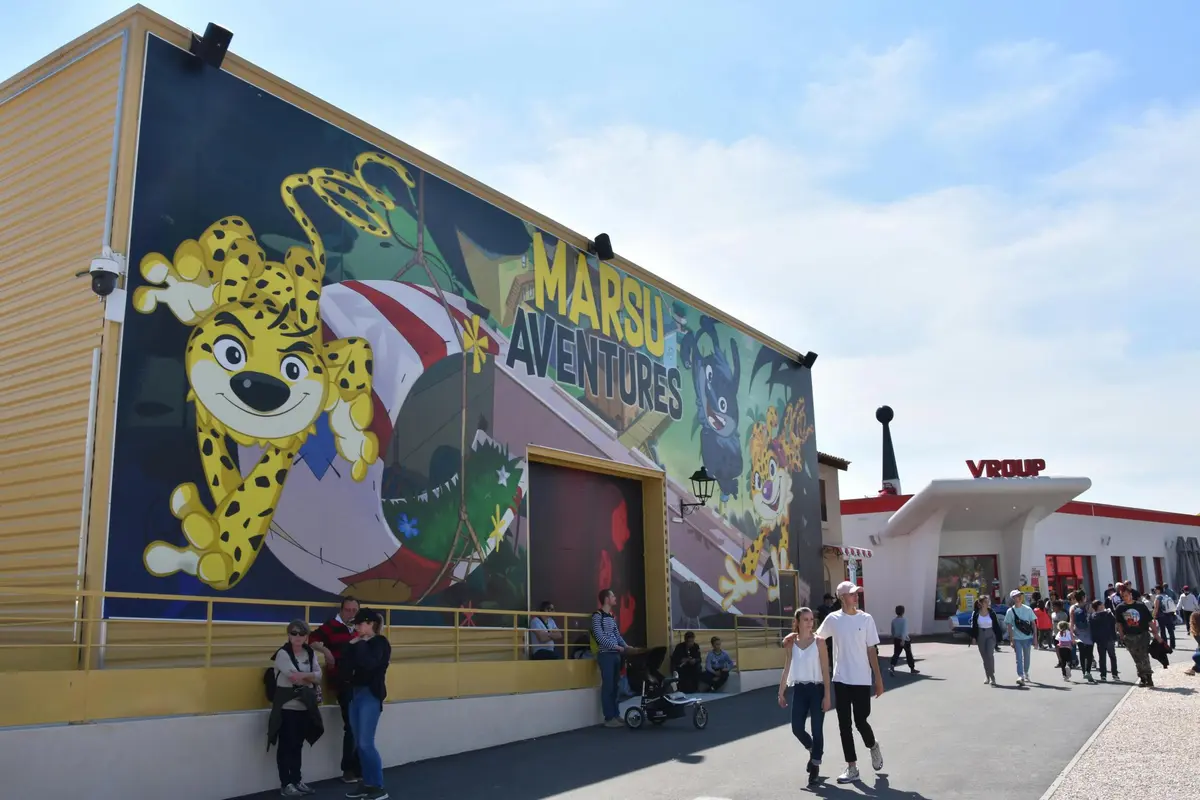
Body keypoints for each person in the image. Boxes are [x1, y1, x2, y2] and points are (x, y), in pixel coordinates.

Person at [815, 580, 885, 785]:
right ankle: (852, 767)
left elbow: (871, 650)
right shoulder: (833, 619)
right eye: (852, 594)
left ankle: (872, 746)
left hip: (862, 679)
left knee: (861, 721)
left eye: (857, 593)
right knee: (844, 724)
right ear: (842, 597)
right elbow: (818, 638)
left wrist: (878, 679)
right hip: (841, 679)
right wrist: (797, 637)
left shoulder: (866, 619)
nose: (856, 596)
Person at [267, 619, 324, 797]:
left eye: (302, 633)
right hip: (287, 707)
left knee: (298, 745)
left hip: (304, 707)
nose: (297, 636)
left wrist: (305, 675)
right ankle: (286, 784)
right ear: (288, 635)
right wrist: (309, 676)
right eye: (294, 633)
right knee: (286, 746)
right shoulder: (283, 654)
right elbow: (294, 677)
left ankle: (297, 780)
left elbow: (319, 676)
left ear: (307, 636)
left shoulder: (310, 653)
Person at [309, 596, 361, 784]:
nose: (351, 614)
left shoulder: (359, 628)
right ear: (341, 610)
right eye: (348, 610)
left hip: (360, 682)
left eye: (354, 610)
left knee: (359, 725)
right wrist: (326, 652)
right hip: (342, 681)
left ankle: (358, 767)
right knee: (352, 724)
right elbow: (311, 639)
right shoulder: (331, 626)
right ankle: (349, 769)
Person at [779, 607, 832, 787]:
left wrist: (827, 695)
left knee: (817, 730)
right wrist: (781, 691)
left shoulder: (820, 642)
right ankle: (813, 749)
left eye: (811, 619)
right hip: (800, 690)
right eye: (806, 619)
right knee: (796, 728)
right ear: (797, 622)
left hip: (817, 690)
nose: (810, 623)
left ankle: (815, 766)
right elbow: (787, 667)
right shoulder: (791, 643)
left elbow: (825, 670)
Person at [344, 608, 392, 800]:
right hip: (355, 693)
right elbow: (345, 665)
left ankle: (378, 786)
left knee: (366, 742)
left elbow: (370, 664)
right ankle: (368, 783)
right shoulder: (357, 644)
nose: (356, 627)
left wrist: (361, 643)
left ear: (370, 624)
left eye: (360, 623)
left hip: (370, 694)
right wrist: (351, 646)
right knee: (359, 743)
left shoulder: (380, 642)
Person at [591, 589, 629, 728]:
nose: (615, 598)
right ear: (606, 599)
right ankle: (609, 718)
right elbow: (599, 637)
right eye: (612, 596)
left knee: (616, 686)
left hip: (616, 655)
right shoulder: (597, 616)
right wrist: (616, 647)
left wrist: (626, 646)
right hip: (606, 655)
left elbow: (617, 635)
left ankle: (616, 714)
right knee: (608, 686)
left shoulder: (612, 616)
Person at [1114, 583, 1161, 688]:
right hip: (1129, 636)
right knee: (1136, 658)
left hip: (1142, 634)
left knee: (1144, 656)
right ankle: (1142, 678)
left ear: (1130, 594)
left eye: (1126, 595)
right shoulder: (1120, 608)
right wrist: (1121, 635)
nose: (1125, 598)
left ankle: (1149, 677)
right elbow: (1119, 623)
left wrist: (1155, 633)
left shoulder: (1140, 605)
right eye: (1123, 596)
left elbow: (1149, 620)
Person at [1003, 590, 1037, 686]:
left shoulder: (1028, 609)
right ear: (1013, 598)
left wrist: (1035, 639)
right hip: (1017, 638)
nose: (1018, 598)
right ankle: (1020, 675)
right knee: (1018, 658)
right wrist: (1011, 640)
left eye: (1019, 596)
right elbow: (1009, 626)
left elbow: (1034, 624)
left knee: (1027, 657)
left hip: (1027, 637)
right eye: (1016, 596)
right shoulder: (1010, 611)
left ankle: (1026, 672)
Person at [969, 595, 1002, 685]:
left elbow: (996, 625)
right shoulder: (976, 613)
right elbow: (973, 626)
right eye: (985, 602)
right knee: (985, 657)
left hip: (990, 634)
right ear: (980, 603)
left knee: (990, 655)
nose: (987, 603)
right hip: (981, 635)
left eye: (988, 602)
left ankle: (992, 677)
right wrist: (973, 637)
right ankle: (988, 676)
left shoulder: (991, 612)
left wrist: (999, 637)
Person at [1088, 599, 1120, 682]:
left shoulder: (1092, 616)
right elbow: (1114, 622)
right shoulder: (1107, 614)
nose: (1103, 606)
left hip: (1100, 639)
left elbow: (1092, 628)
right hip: (1108, 638)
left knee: (1103, 657)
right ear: (1098, 606)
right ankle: (1114, 674)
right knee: (1111, 656)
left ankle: (1104, 675)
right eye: (1101, 605)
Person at [1069, 590, 1094, 682]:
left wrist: (1071, 634)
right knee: (1089, 653)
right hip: (1089, 632)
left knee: (1082, 653)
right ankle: (1088, 672)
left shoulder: (1073, 607)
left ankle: (1084, 672)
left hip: (1078, 632)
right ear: (1084, 597)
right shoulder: (1089, 606)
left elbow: (1071, 622)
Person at [888, 605, 917, 675]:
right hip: (905, 640)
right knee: (908, 654)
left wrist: (894, 637)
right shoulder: (904, 620)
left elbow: (892, 630)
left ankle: (892, 666)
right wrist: (903, 640)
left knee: (896, 653)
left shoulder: (894, 621)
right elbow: (904, 630)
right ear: (903, 612)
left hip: (896, 639)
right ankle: (912, 668)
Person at [1185, 611, 1200, 677]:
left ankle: (1195, 668)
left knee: (1196, 656)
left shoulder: (1195, 632)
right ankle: (1195, 668)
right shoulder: (1196, 632)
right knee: (1197, 650)